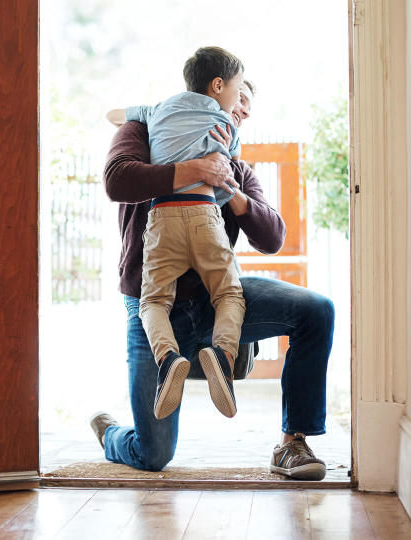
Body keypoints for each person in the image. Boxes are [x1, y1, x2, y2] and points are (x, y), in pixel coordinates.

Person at [89, 78, 335, 481]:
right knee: (153, 454)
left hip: (218, 301)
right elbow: (117, 180)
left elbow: (272, 237)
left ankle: (293, 443)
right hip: (155, 308)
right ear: (212, 95)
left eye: (249, 104)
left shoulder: (234, 165)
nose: (246, 110)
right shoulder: (144, 130)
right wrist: (192, 169)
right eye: (241, 98)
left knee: (316, 311)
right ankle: (112, 435)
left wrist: (232, 191)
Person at [105, 46, 248, 421]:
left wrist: (135, 119)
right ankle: (222, 355)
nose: (237, 100)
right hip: (203, 214)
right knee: (229, 293)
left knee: (153, 302)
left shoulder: (157, 112)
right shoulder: (226, 123)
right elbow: (227, 169)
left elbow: (114, 115)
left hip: (162, 215)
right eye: (236, 90)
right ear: (217, 85)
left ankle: (168, 359)